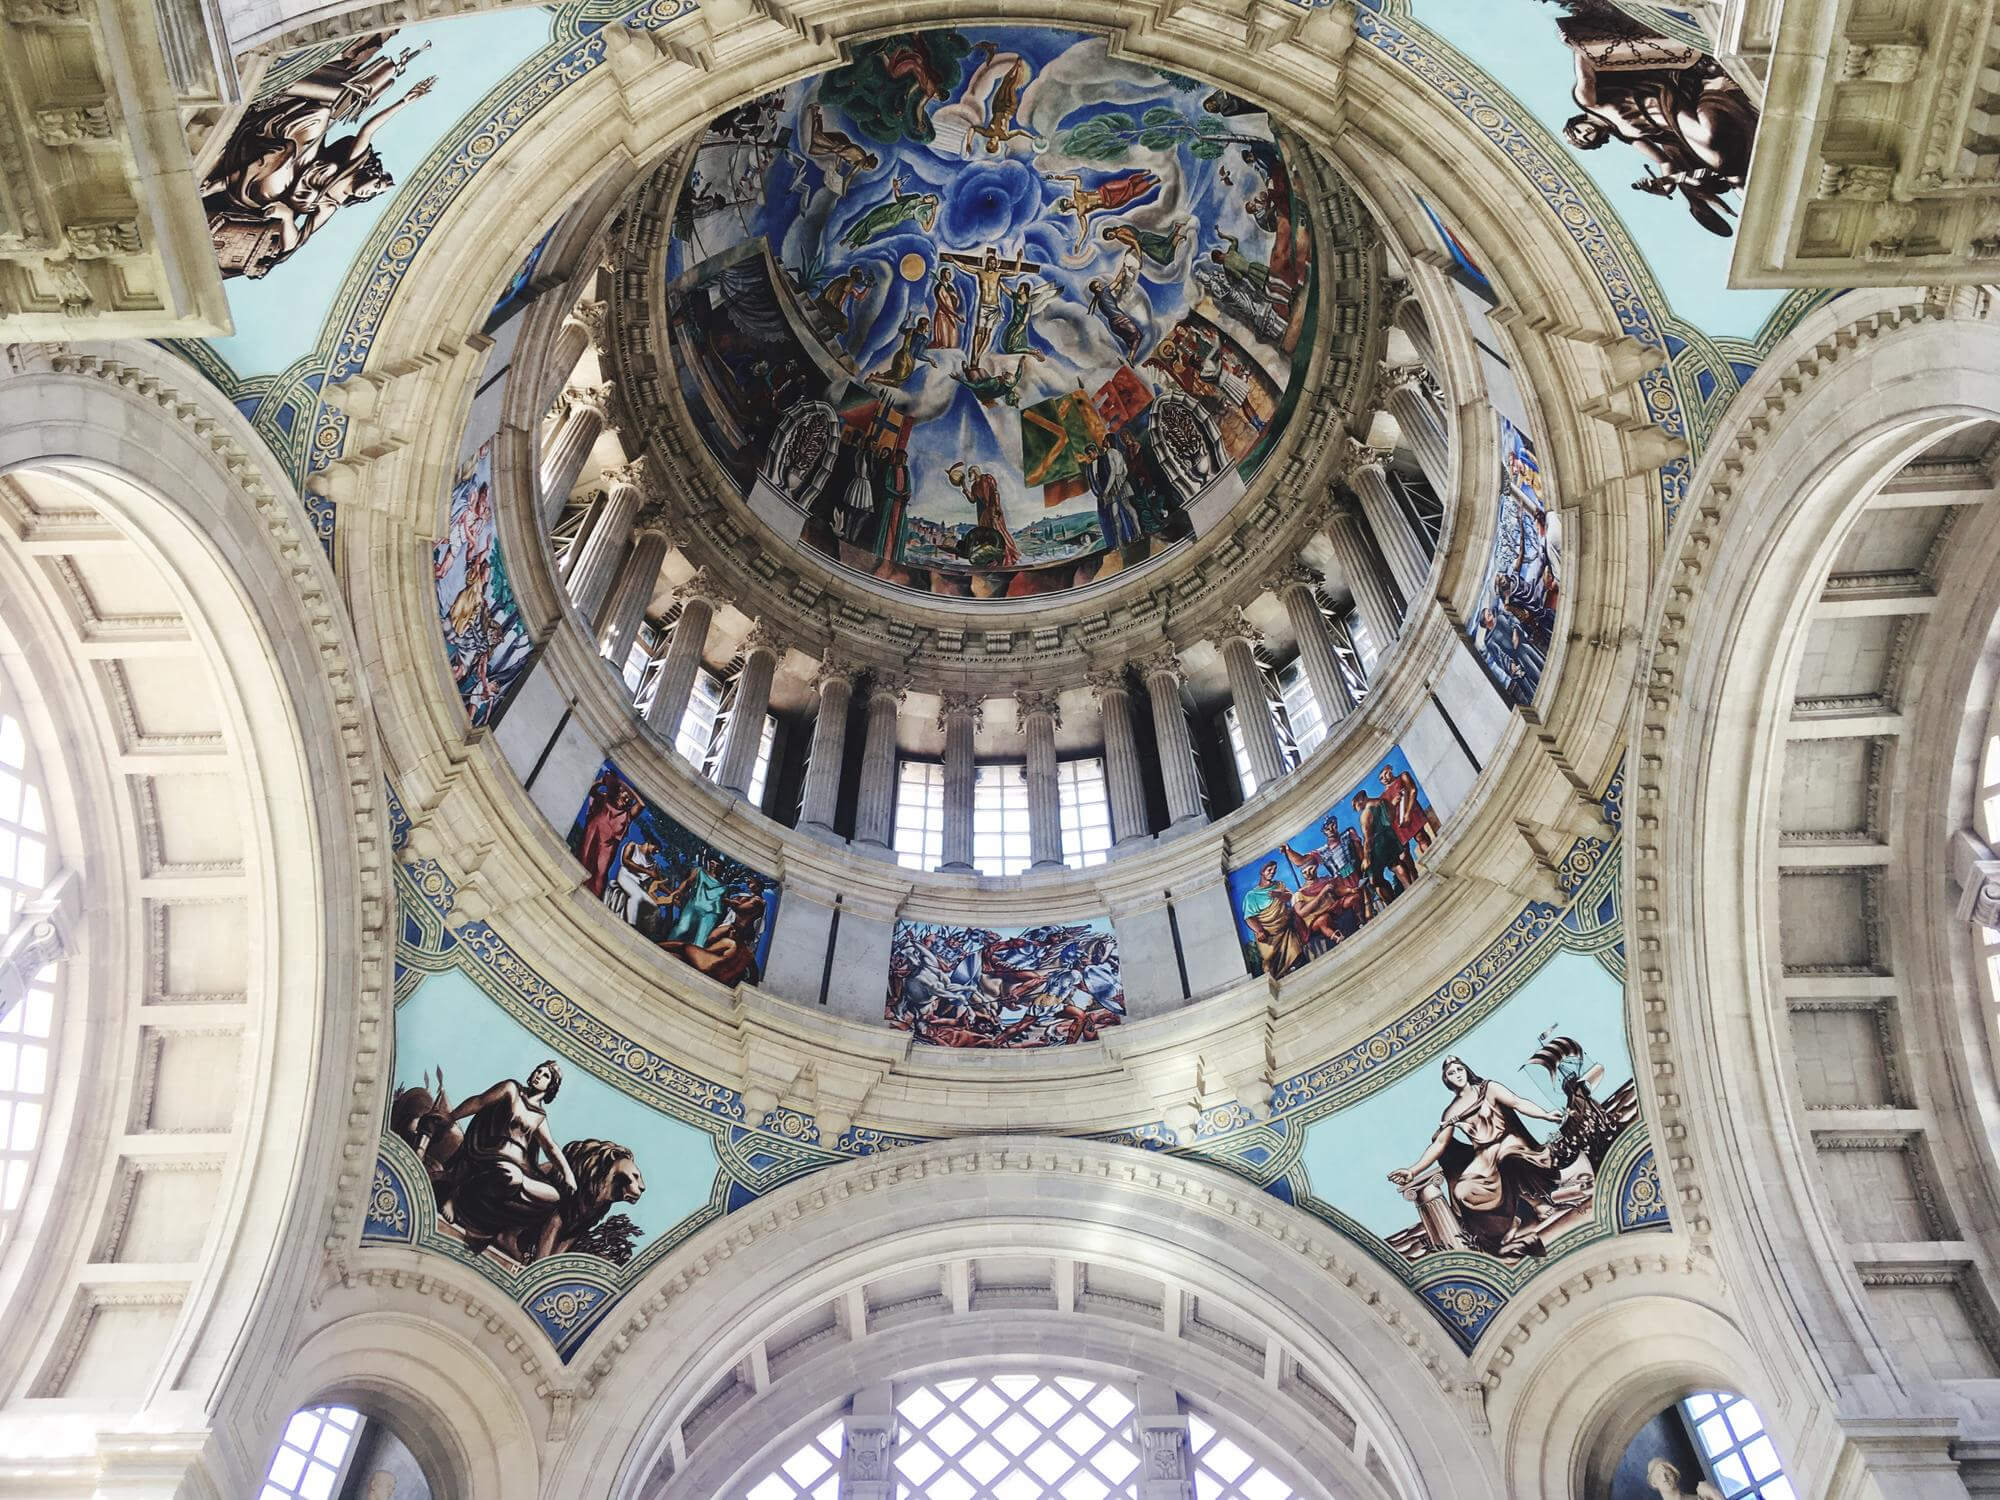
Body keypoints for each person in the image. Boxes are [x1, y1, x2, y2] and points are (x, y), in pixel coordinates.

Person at [1387, 1056, 1567, 1257]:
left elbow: (1517, 1102)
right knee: (1463, 1192)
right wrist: (1412, 1171)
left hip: (1508, 1141)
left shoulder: (1488, 1088)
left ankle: (1537, 1204)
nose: (1457, 1075)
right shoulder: (1451, 1112)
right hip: (1484, 1153)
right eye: (1451, 1073)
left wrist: (1545, 1115)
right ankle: (1508, 1222)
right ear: (1446, 1080)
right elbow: (1439, 1144)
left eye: (1459, 1069)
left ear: (1466, 1070)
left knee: (1508, 1158)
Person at [435, 1061, 578, 1256]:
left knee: (552, 1196)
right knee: (512, 1177)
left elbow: (551, 1147)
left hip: (521, 1167)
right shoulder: (511, 1089)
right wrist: (452, 1117)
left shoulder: (540, 1116)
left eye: (545, 1075)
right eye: (538, 1070)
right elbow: (480, 1101)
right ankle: (456, 1197)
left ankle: (498, 1229)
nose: (538, 1075)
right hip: (491, 1153)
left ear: (551, 1086)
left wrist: (568, 1174)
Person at [1239, 860, 1310, 978]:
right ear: (1262, 872)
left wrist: (1279, 895)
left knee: (1297, 955)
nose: (1272, 872)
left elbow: (1290, 896)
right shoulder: (1251, 896)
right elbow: (1249, 917)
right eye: (1269, 870)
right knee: (1270, 960)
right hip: (1267, 935)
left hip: (1286, 931)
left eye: (1274, 870)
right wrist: (1259, 931)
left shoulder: (1278, 885)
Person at [946, 462, 1021, 565]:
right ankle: (991, 559)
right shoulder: (974, 486)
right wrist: (964, 486)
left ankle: (1008, 554)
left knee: (998, 531)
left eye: (970, 474)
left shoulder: (987, 478)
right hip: (982, 514)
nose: (969, 477)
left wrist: (997, 507)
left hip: (992, 510)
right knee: (986, 537)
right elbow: (972, 499)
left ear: (975, 472)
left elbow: (995, 492)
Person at [1081, 441, 1141, 548]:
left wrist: (1109, 489)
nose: (1089, 456)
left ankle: (1137, 534)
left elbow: (1113, 473)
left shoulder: (1105, 458)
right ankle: (1120, 543)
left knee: (1127, 509)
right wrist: (1101, 494)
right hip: (1107, 492)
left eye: (1089, 453)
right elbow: (1092, 483)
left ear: (1094, 451)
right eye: (1088, 455)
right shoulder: (1089, 467)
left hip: (1113, 487)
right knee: (1115, 516)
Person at [664, 855, 730, 948]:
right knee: (681, 929)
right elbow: (688, 882)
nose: (714, 866)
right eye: (712, 863)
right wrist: (678, 891)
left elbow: (724, 904)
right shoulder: (699, 871)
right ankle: (665, 947)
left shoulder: (723, 887)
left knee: (700, 941)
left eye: (718, 865)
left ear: (721, 869)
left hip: (710, 914)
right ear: (708, 863)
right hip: (693, 906)